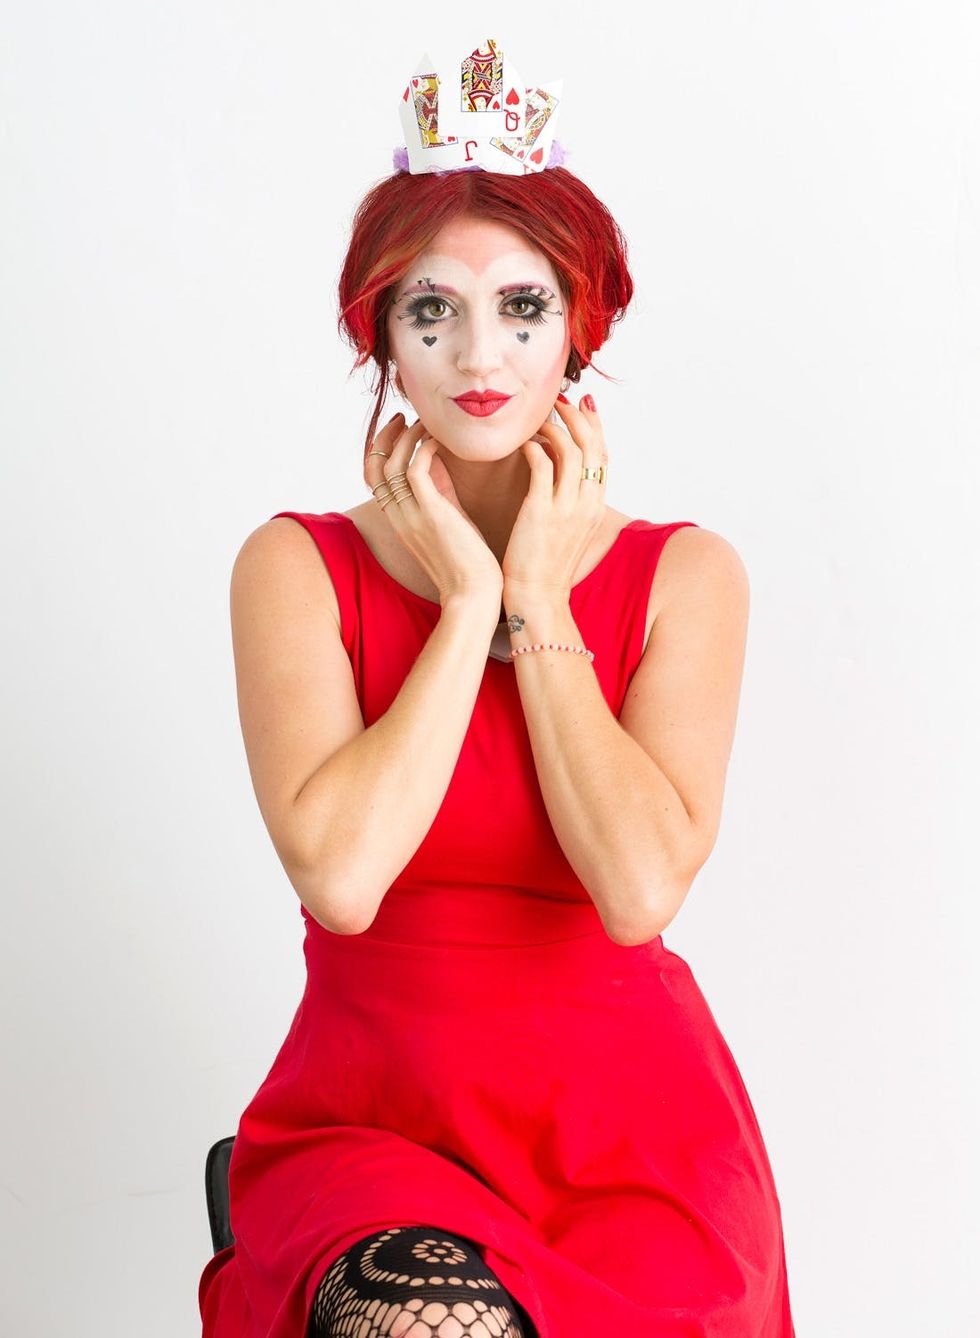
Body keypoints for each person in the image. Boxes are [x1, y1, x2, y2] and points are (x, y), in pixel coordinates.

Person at [198, 44, 796, 1338]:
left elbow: (639, 889)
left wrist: (535, 597)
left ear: (580, 326)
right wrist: (463, 605)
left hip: (635, 1151)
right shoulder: (299, 566)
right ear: (382, 337)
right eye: (435, 310)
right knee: (435, 1318)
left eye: (523, 307)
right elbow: (343, 878)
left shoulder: (684, 577)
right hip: (372, 1130)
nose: (482, 351)